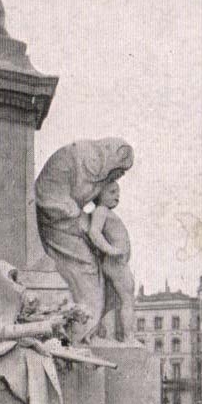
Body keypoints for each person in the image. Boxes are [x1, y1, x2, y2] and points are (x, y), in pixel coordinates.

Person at [35, 139, 134, 341]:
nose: (119, 177)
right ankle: (83, 333)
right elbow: (53, 201)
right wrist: (109, 248)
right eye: (118, 172)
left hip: (68, 219)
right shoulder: (78, 160)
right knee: (87, 271)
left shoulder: (95, 174)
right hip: (57, 218)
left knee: (99, 280)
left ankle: (91, 331)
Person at [85, 181, 136, 342]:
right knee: (127, 300)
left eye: (118, 192)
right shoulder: (101, 210)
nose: (117, 196)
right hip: (115, 263)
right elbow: (94, 233)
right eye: (112, 192)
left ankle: (106, 335)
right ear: (99, 194)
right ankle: (129, 337)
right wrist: (111, 250)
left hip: (117, 262)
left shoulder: (105, 211)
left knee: (111, 302)